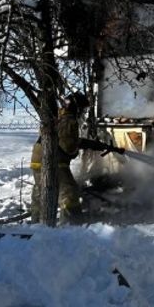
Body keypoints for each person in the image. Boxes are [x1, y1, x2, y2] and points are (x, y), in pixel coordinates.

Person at [30, 92, 112, 223]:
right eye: (83, 109)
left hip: (38, 157)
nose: (83, 113)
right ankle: (72, 224)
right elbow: (68, 147)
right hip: (55, 161)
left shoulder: (57, 115)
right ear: (76, 107)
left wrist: (94, 145)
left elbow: (64, 139)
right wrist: (75, 152)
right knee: (69, 193)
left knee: (41, 192)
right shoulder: (69, 120)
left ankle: (36, 223)